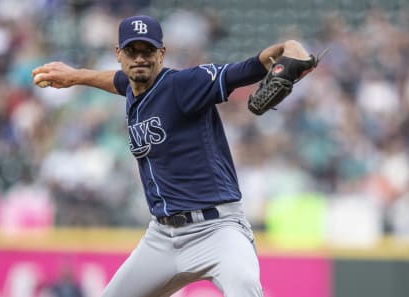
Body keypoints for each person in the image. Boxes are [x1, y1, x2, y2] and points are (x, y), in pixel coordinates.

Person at [32, 15, 314, 297]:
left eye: (148, 51)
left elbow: (246, 68)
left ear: (162, 53)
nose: (140, 58)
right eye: (132, 51)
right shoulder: (133, 86)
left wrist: (288, 47)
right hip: (163, 238)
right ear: (119, 54)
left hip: (217, 230)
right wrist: (75, 76)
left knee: (245, 289)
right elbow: (117, 81)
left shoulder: (184, 84)